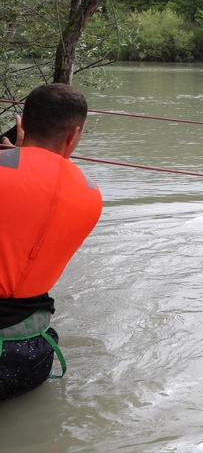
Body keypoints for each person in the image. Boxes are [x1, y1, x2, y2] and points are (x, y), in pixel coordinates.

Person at [0, 83, 102, 401]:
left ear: (22, 123)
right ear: (73, 135)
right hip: (30, 359)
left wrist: (15, 151)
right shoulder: (91, 194)